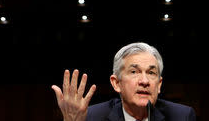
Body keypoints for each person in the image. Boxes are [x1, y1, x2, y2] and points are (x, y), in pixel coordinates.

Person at [51, 42, 196, 121]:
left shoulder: (182, 116)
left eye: (151, 73)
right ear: (116, 83)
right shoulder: (91, 117)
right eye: (134, 72)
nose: (144, 81)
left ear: (159, 85)